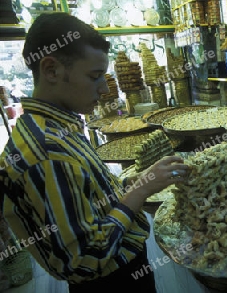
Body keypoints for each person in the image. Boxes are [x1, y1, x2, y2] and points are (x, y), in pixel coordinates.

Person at [0, 12, 190, 292]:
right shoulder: (46, 151)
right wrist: (142, 190)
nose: (104, 89)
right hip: (112, 281)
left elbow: (88, 197)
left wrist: (139, 181)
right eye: (95, 76)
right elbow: (87, 258)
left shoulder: (56, 127)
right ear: (51, 70)